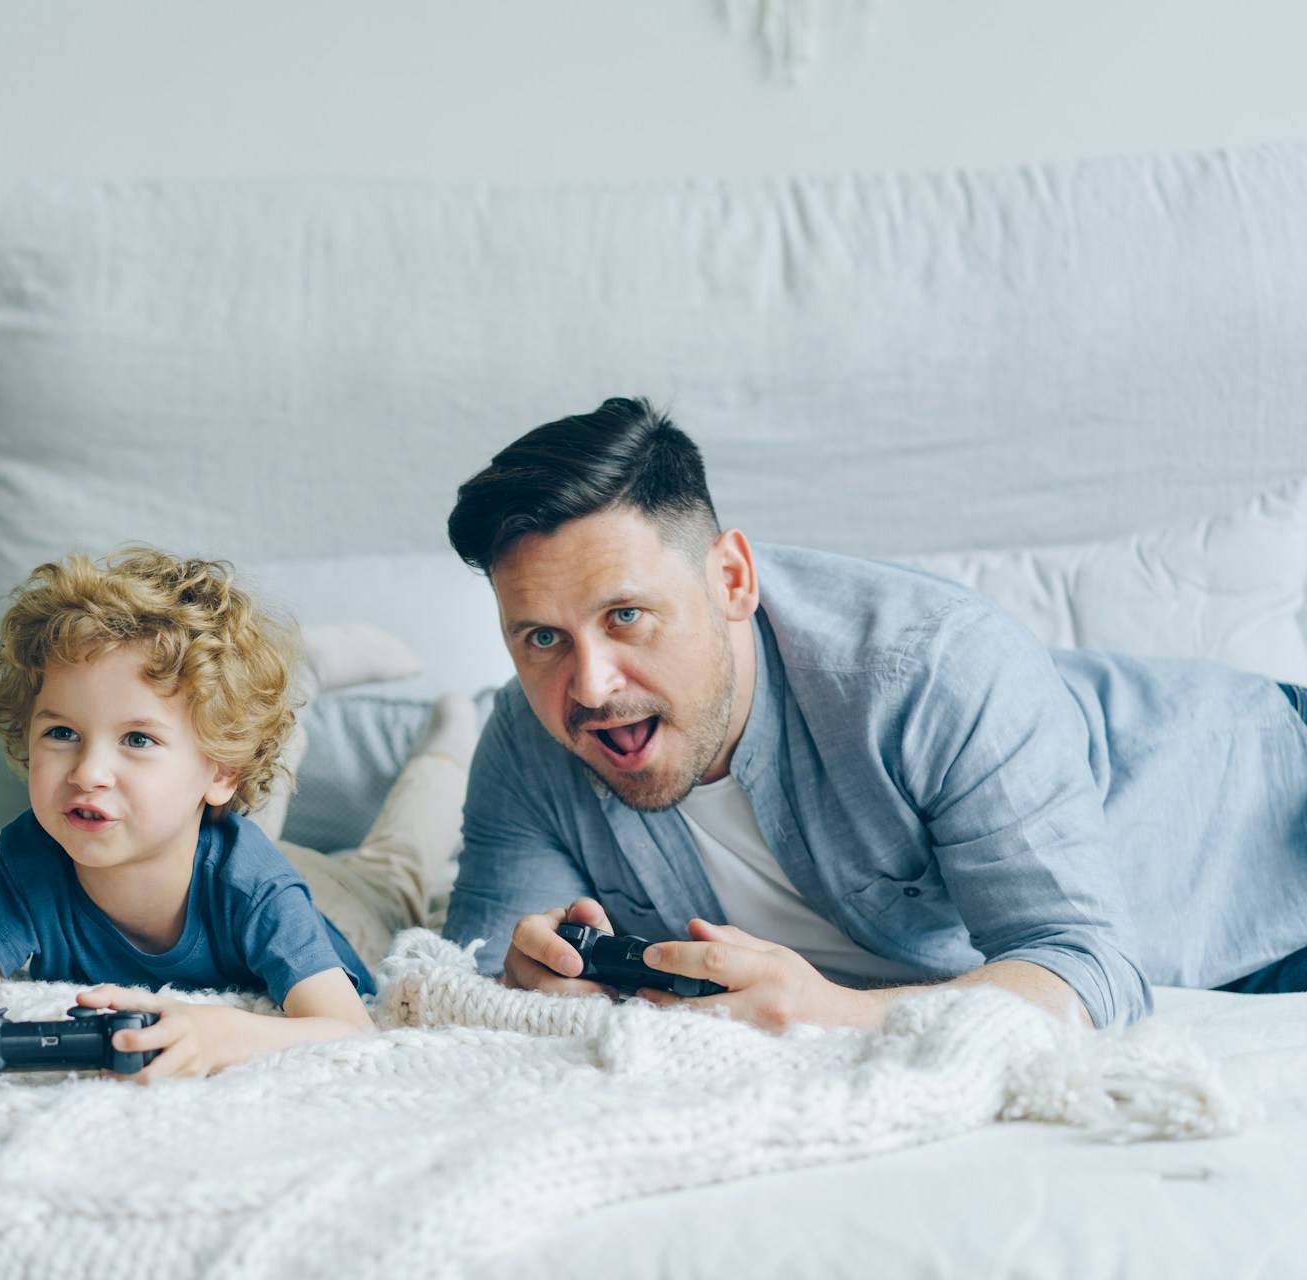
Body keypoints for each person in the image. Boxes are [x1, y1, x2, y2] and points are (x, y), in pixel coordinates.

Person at [440, 396, 1307, 1031]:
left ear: (732, 580)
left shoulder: (927, 667)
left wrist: (835, 1015)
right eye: (543, 638)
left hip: (1257, 806)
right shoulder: (527, 739)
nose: (588, 685)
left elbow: (1089, 966)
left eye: (626, 616)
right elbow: (466, 984)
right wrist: (529, 979)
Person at [0, 547, 473, 1086]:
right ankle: (289, 685)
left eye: (136, 739)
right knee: (222, 796)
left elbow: (349, 1028)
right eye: (62, 732)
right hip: (195, 841)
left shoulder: (256, 885)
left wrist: (215, 1034)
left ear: (219, 776)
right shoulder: (33, 855)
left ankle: (451, 738)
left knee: (396, 868)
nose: (88, 772)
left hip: (340, 901)